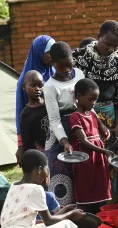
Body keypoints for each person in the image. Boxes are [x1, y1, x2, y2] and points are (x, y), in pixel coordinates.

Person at [0, 149, 86, 228]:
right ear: (39, 169)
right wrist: (71, 214)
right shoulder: (36, 189)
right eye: (47, 169)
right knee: (68, 226)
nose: (47, 173)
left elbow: (44, 220)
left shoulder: (14, 186)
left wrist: (64, 210)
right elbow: (49, 221)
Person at [73, 20, 118, 203]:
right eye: (107, 43)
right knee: (88, 164)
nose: (111, 49)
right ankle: (87, 204)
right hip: (84, 119)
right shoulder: (79, 58)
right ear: (98, 37)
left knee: (109, 163)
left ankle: (109, 205)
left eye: (115, 46)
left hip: (110, 123)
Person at [70, 78, 113, 228]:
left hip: (99, 162)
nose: (93, 103)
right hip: (86, 161)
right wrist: (103, 150)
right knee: (84, 203)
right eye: (90, 99)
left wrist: (105, 130)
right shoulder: (75, 117)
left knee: (102, 202)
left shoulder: (92, 113)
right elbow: (83, 141)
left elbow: (101, 128)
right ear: (78, 96)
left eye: (95, 99)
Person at [43, 41, 85, 206]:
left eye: (69, 65)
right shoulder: (50, 87)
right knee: (63, 179)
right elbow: (54, 119)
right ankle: (66, 223)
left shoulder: (80, 75)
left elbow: (87, 103)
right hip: (60, 136)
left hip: (81, 127)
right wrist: (64, 140)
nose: (67, 70)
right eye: (61, 67)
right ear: (53, 64)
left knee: (83, 177)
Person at [15, 35, 56, 163]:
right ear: (39, 52)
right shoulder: (25, 80)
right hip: (34, 134)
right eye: (49, 53)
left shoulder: (53, 73)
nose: (52, 56)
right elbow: (19, 111)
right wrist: (20, 144)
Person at [20, 70, 48, 152]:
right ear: (24, 87)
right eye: (33, 86)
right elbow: (27, 142)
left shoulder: (49, 103)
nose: (37, 89)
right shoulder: (25, 114)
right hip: (42, 152)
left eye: (40, 85)